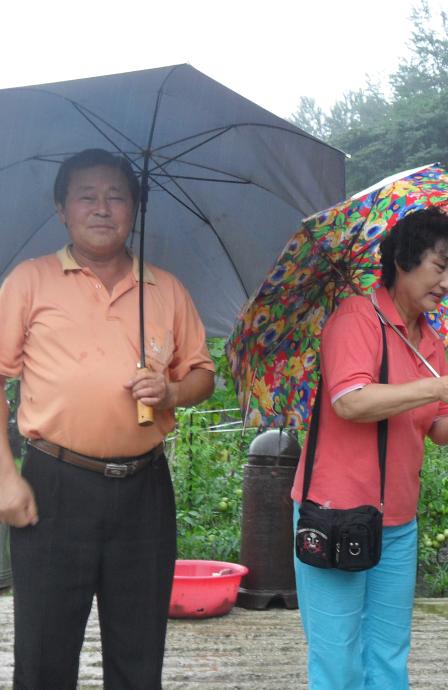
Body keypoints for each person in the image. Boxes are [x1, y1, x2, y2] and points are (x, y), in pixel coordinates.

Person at [0, 148, 215, 689]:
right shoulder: (29, 281)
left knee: (139, 657)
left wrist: (169, 391)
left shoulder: (166, 289)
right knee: (44, 657)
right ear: (62, 209)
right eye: (87, 196)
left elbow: (202, 376)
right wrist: (5, 478)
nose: (102, 208)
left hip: (144, 491)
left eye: (117, 196)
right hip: (53, 485)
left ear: (135, 210)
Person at [291, 207, 448, 689]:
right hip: (335, 510)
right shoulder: (356, 318)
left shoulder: (429, 340)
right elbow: (351, 401)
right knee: (338, 656)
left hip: (397, 521)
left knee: (388, 653)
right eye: (439, 266)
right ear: (404, 260)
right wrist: (436, 389)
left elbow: (433, 428)